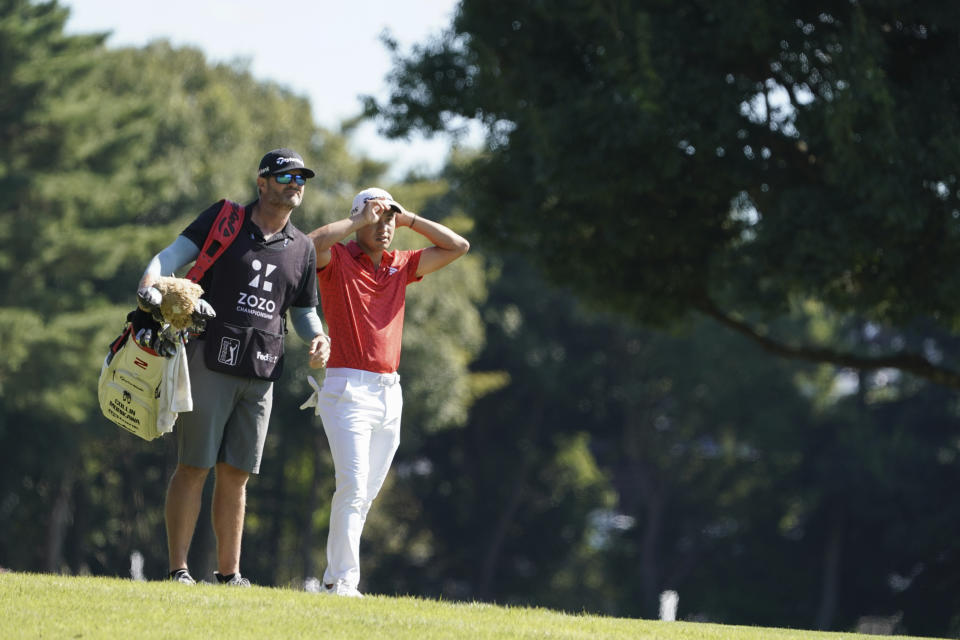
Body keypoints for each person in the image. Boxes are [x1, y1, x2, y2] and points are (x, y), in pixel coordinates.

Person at [137, 148, 331, 587]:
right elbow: (171, 256)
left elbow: (302, 312)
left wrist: (319, 337)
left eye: (300, 178)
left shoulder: (302, 248)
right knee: (194, 466)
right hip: (209, 359)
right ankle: (178, 571)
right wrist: (150, 281)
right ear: (262, 183)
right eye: (284, 176)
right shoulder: (225, 219)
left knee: (237, 474)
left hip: (262, 372)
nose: (294, 184)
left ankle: (230, 574)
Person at [302, 187, 470, 597]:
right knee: (353, 487)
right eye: (378, 219)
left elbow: (457, 246)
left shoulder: (401, 264)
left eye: (390, 220)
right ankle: (342, 581)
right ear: (359, 220)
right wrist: (361, 219)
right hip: (346, 389)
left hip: (389, 392)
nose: (385, 227)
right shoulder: (338, 258)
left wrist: (408, 217)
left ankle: (332, 580)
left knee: (364, 495)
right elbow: (308, 246)